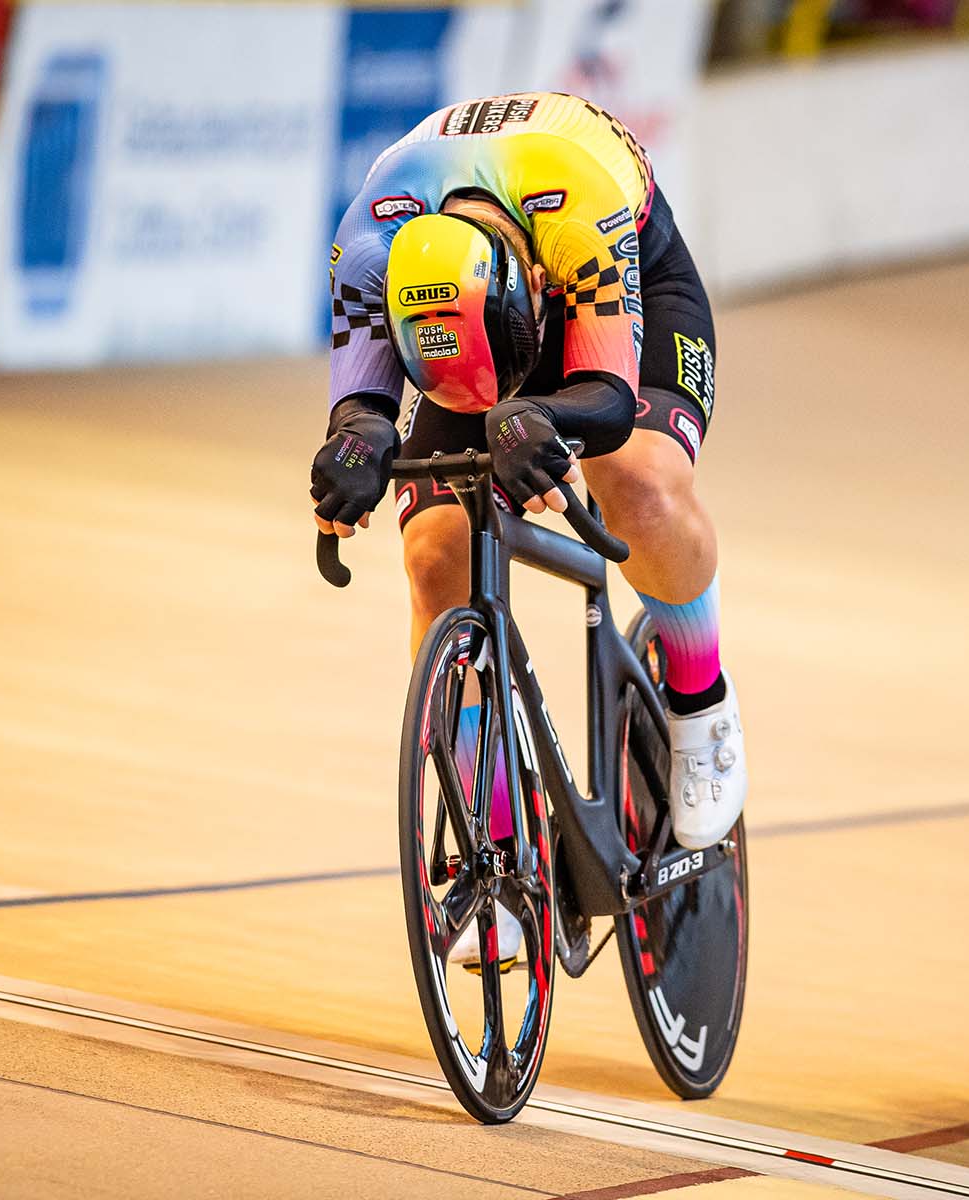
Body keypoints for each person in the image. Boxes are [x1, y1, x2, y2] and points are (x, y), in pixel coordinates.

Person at [309, 92, 747, 962]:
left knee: (638, 484)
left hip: (627, 298)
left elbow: (612, 401)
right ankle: (498, 854)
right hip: (469, 335)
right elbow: (361, 405)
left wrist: (538, 418)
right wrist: (352, 447)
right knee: (434, 556)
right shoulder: (367, 240)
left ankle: (702, 701)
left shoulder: (575, 212)